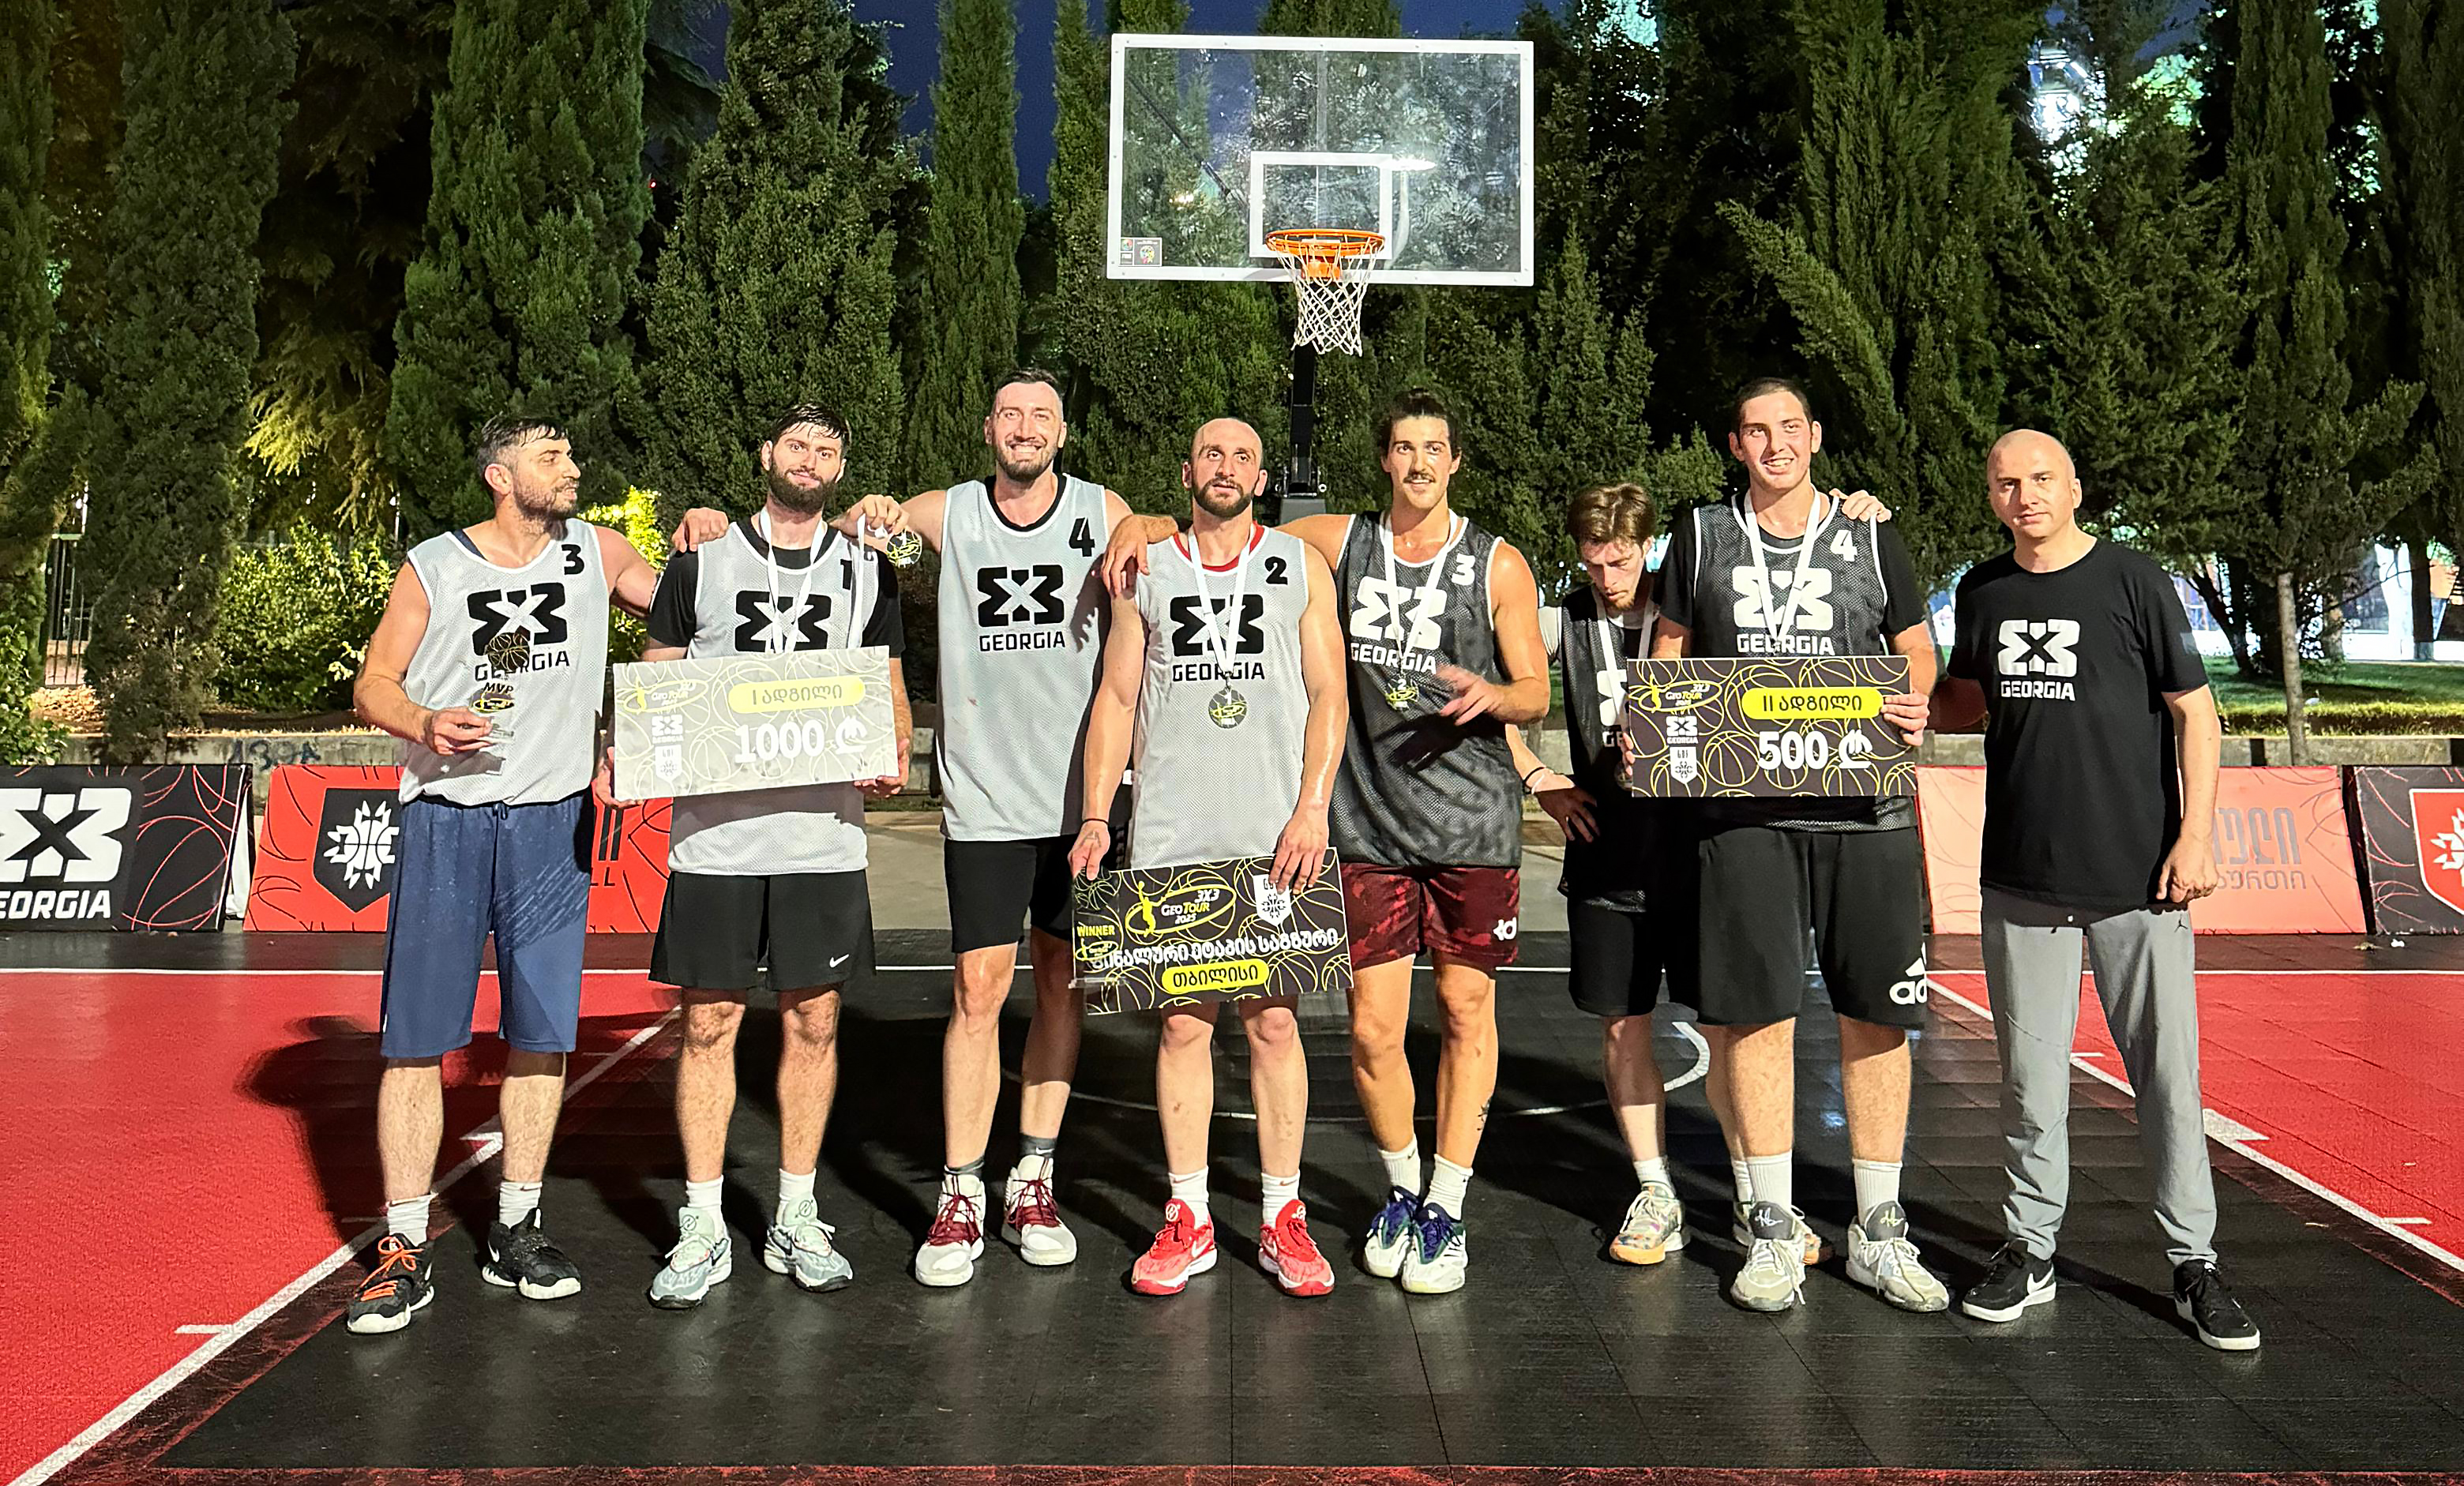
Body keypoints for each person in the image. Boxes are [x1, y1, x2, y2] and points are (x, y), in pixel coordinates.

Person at [1106, 388, 1550, 1293]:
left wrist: (1496, 698)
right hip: (1367, 822)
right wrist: (1144, 523)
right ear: (1385, 459)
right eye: (1403, 446)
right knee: (1372, 1031)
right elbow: (1229, 529)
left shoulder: (1498, 562)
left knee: (1465, 1011)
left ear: (1455, 461)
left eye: (1434, 447)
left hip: (1472, 824)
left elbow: (1537, 690)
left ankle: (1447, 1206)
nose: (1419, 462)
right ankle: (1400, 1188)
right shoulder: (1338, 544)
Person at [806, 370, 1150, 1287]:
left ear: (1062, 433)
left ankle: (1032, 1178)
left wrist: (1146, 525)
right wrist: (868, 511)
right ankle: (960, 1191)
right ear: (988, 428)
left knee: (1062, 984)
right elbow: (852, 526)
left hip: (1083, 802)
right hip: (986, 798)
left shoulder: (1103, 510)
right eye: (1010, 414)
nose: (1025, 428)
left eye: (1041, 416)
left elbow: (1168, 537)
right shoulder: (949, 511)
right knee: (976, 989)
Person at [1508, 480, 1891, 1269]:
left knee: (1728, 1028)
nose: (1607, 577)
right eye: (1592, 561)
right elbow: (1492, 688)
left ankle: (1758, 1201)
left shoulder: (1702, 610)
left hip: (1702, 848)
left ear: (1648, 549)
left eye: (1621, 561)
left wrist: (1857, 514)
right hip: (1609, 850)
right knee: (1623, 1025)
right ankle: (1655, 1192)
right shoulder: (1561, 619)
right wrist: (1538, 778)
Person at [1932, 429, 2258, 1350]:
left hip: (2137, 879)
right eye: (2007, 482)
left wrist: (2196, 835)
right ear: (1991, 496)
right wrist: (1889, 685)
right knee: (2031, 1087)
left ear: (2074, 487)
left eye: (2042, 478)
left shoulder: (2134, 579)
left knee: (2168, 1080)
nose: (2026, 494)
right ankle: (2030, 1251)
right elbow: (1961, 700)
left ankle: (2194, 1263)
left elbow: (2197, 714)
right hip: (2023, 878)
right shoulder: (1983, 591)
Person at [343, 415, 659, 1334]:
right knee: (416, 1042)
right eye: (550, 456)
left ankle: (516, 1225)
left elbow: (693, 610)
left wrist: (708, 533)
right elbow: (372, 682)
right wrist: (422, 722)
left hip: (552, 821)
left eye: (570, 453)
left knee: (541, 1032)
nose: (570, 466)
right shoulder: (435, 566)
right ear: (499, 474)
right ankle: (405, 1245)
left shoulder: (599, 552)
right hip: (446, 818)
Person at [1650, 376, 1944, 1314]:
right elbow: (1669, 646)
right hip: (1745, 811)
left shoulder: (1871, 531)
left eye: (1789, 427)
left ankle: (1880, 1229)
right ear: (1735, 445)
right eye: (1755, 431)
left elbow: (1916, 645)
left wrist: (1915, 693)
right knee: (1756, 1017)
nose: (1774, 444)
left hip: (1866, 805)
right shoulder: (1702, 534)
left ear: (1814, 436)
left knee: (1877, 1017)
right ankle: (1772, 1224)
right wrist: (1661, 723)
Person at [635, 405, 910, 1308]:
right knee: (708, 1024)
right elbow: (661, 676)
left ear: (841, 467)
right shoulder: (701, 556)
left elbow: (888, 683)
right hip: (717, 839)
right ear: (766, 455)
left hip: (819, 836)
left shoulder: (868, 565)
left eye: (828, 449)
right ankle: (703, 1221)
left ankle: (796, 1211)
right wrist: (637, 750)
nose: (810, 460)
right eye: (797, 444)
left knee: (815, 1023)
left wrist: (894, 749)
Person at [1068, 417, 1347, 1297]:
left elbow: (1330, 694)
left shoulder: (1299, 565)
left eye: (1244, 457)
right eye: (1212, 454)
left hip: (1275, 839)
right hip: (1173, 836)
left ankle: (1281, 1216)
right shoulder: (1147, 567)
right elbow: (1118, 697)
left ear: (1263, 479)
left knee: (1274, 1026)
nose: (1227, 468)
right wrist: (1097, 815)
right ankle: (1187, 1216)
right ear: (1187, 472)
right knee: (1184, 1025)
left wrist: (1312, 809)